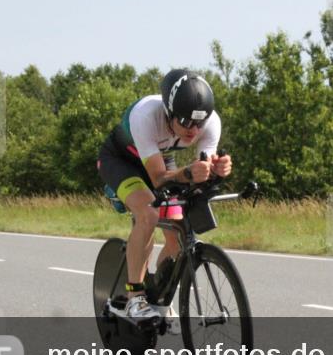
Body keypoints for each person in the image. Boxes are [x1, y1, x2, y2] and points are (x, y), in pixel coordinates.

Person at [97, 69, 232, 322]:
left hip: (162, 159)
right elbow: (159, 178)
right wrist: (189, 173)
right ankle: (133, 299)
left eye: (199, 124)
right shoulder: (146, 114)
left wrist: (218, 170)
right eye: (186, 123)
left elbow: (202, 171)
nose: (193, 131)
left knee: (178, 233)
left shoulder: (210, 122)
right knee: (147, 213)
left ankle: (157, 295)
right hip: (122, 162)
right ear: (169, 114)